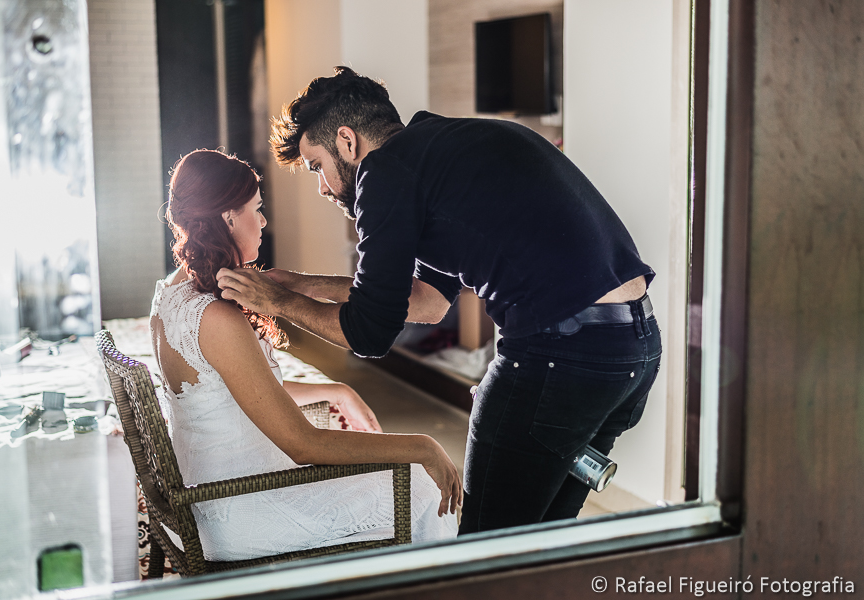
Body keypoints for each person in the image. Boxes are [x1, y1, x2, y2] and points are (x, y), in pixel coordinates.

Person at [216, 67, 662, 534]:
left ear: (347, 142)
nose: (323, 188)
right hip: (632, 351)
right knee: (541, 537)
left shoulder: (383, 172)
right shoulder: (442, 152)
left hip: (563, 356)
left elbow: (370, 333)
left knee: (485, 541)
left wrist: (277, 304)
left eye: (317, 168)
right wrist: (302, 286)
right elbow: (427, 302)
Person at [150, 149, 460, 561]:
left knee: (402, 481)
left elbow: (230, 390)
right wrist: (422, 445)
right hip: (239, 506)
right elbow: (303, 444)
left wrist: (333, 389)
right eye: (256, 210)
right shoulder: (215, 317)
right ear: (227, 216)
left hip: (206, 497)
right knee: (423, 486)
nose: (262, 222)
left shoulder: (172, 293)